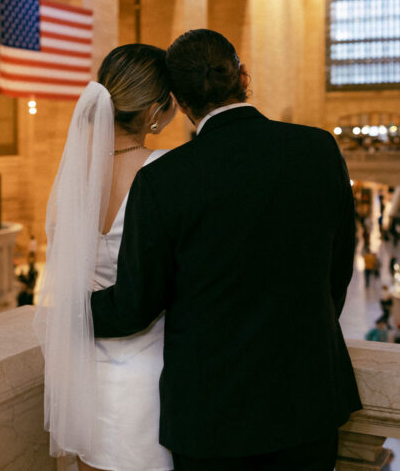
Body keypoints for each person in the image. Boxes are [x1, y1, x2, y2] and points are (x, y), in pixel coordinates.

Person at [90, 30, 361, 470]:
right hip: (307, 399)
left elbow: (135, 306)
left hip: (211, 417)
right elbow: (337, 270)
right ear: (243, 75)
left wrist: (69, 312)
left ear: (177, 100)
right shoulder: (318, 148)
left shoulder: (165, 180)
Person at [35, 43, 179, 471]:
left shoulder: (74, 175)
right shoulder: (166, 171)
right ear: (155, 109)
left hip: (85, 370)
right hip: (148, 371)